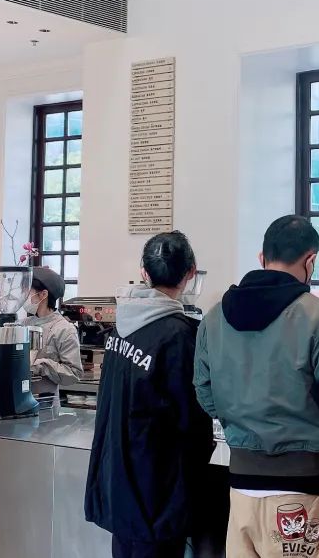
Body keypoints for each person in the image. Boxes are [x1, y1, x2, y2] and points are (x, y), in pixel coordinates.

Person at [194, 216, 319, 558]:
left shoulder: (214, 317)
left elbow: (205, 394)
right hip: (303, 489)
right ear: (310, 260)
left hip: (242, 484)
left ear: (262, 258)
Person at [86, 232, 215, 558]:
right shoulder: (179, 335)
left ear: (143, 272)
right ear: (191, 273)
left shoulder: (120, 328)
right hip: (158, 492)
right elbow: (194, 420)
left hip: (118, 483)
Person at [23, 267, 83, 393]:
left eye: (27, 291)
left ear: (43, 294)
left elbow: (74, 373)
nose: (23, 296)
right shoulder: (24, 324)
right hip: (19, 396)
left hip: (46, 400)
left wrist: (42, 366)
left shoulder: (64, 329)